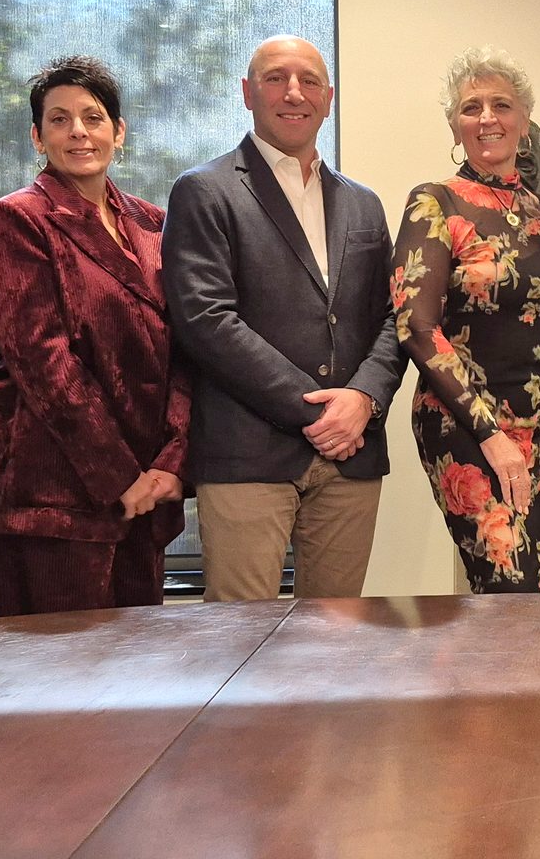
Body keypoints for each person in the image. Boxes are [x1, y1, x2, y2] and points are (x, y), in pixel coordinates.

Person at [161, 35, 404, 601]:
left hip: (352, 455)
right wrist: (318, 412)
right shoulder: (204, 190)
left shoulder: (363, 203)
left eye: (310, 80)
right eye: (275, 78)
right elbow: (206, 321)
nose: (294, 92)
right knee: (241, 647)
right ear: (248, 93)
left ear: (330, 98)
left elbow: (394, 315)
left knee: (335, 644)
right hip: (249, 452)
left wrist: (362, 401)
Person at [391, 47, 540, 592]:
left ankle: (528, 683)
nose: (487, 118)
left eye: (501, 105)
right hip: (470, 431)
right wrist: (490, 435)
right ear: (454, 123)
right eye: (471, 107)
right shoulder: (436, 202)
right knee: (511, 592)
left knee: (539, 596)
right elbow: (416, 327)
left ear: (525, 120)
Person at [0, 56, 190, 615]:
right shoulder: (19, 219)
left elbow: (186, 350)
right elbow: (42, 362)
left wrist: (171, 461)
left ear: (119, 133)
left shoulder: (153, 223)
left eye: (93, 117)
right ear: (37, 136)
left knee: (139, 683)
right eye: (59, 119)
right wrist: (120, 477)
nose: (78, 131)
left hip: (146, 493)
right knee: (56, 686)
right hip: (57, 496)